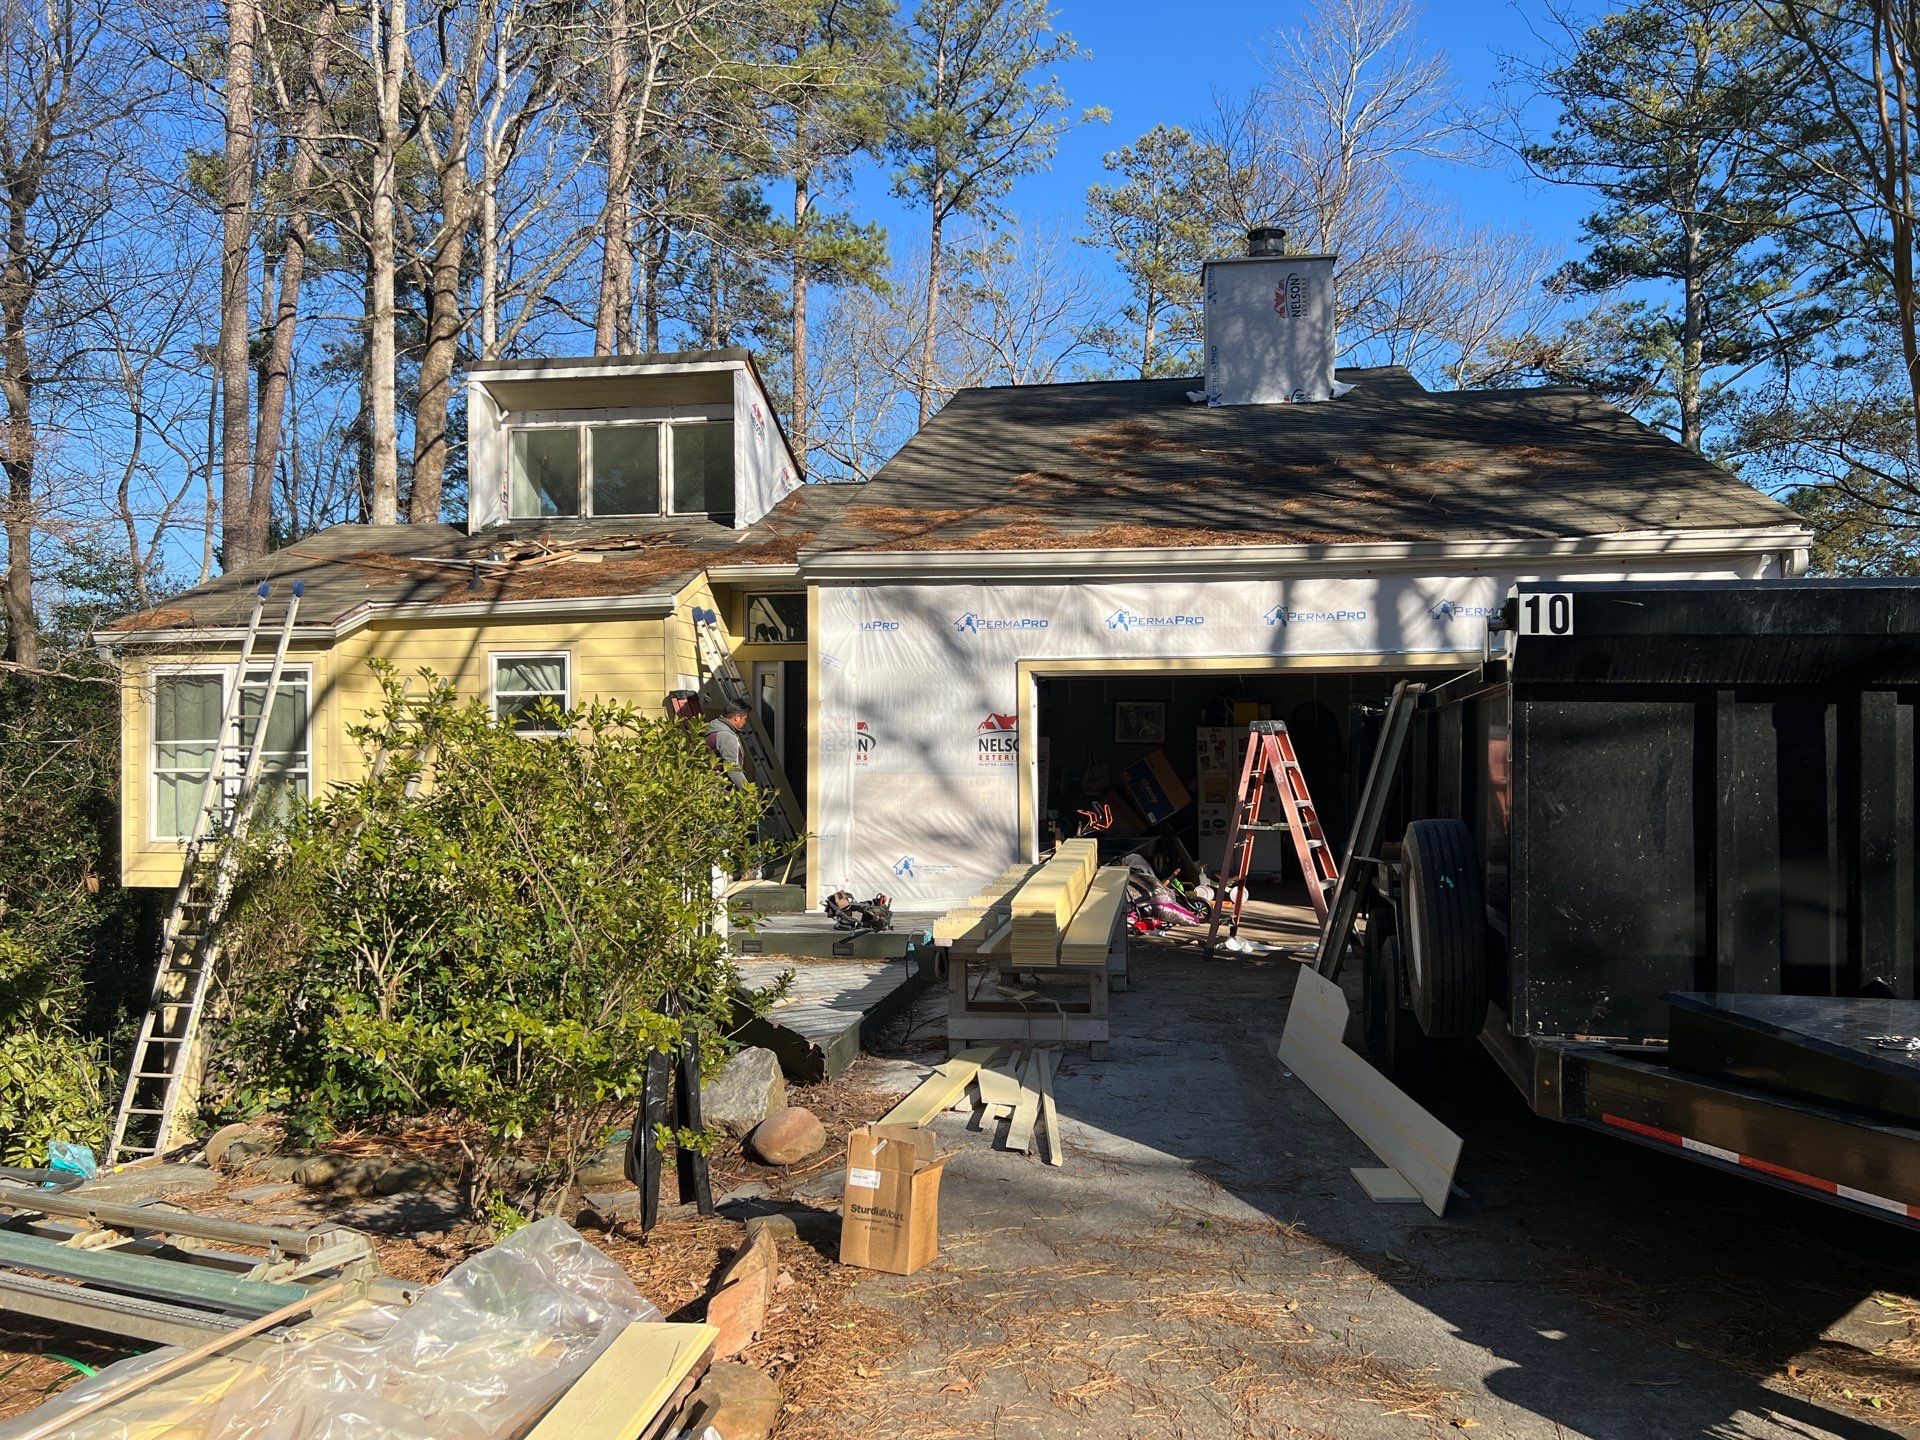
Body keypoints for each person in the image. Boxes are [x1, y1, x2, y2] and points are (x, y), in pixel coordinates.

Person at [703, 700, 753, 789]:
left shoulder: (714, 726)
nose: (745, 722)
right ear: (737, 717)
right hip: (718, 789)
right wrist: (748, 792)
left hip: (707, 784)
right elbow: (733, 769)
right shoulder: (726, 736)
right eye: (745, 718)